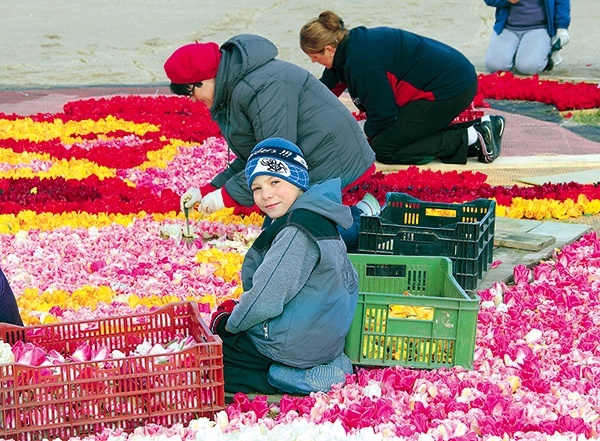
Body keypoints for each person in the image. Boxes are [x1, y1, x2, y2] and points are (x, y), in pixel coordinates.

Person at [163, 35, 379, 250]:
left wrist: (225, 196)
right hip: (311, 154)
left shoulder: (259, 86)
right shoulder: (235, 89)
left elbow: (274, 154)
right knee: (277, 231)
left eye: (191, 92)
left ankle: (362, 216)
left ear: (208, 77)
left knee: (298, 235)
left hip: (331, 157)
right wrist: (209, 189)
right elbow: (254, 155)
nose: (192, 100)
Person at [208, 137, 357, 394]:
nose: (266, 194)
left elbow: (266, 299)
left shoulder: (297, 230)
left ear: (298, 180)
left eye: (275, 181)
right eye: (256, 188)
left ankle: (293, 377)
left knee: (215, 364)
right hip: (321, 337)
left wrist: (228, 323)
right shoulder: (318, 213)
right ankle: (323, 364)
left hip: (295, 345)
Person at [299, 10, 506, 166]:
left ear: (328, 49)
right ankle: (484, 126)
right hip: (452, 75)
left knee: (384, 148)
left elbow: (385, 117)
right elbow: (323, 90)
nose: (314, 62)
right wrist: (298, 111)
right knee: (395, 136)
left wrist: (361, 133)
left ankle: (473, 137)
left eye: (315, 58)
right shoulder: (348, 47)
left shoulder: (361, 64)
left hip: (449, 88)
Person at [483, 0, 571, 75]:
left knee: (528, 67)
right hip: (507, 26)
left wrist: (562, 27)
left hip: (539, 27)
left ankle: (548, 54)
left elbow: (562, 2)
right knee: (494, 66)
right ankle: (516, 53)